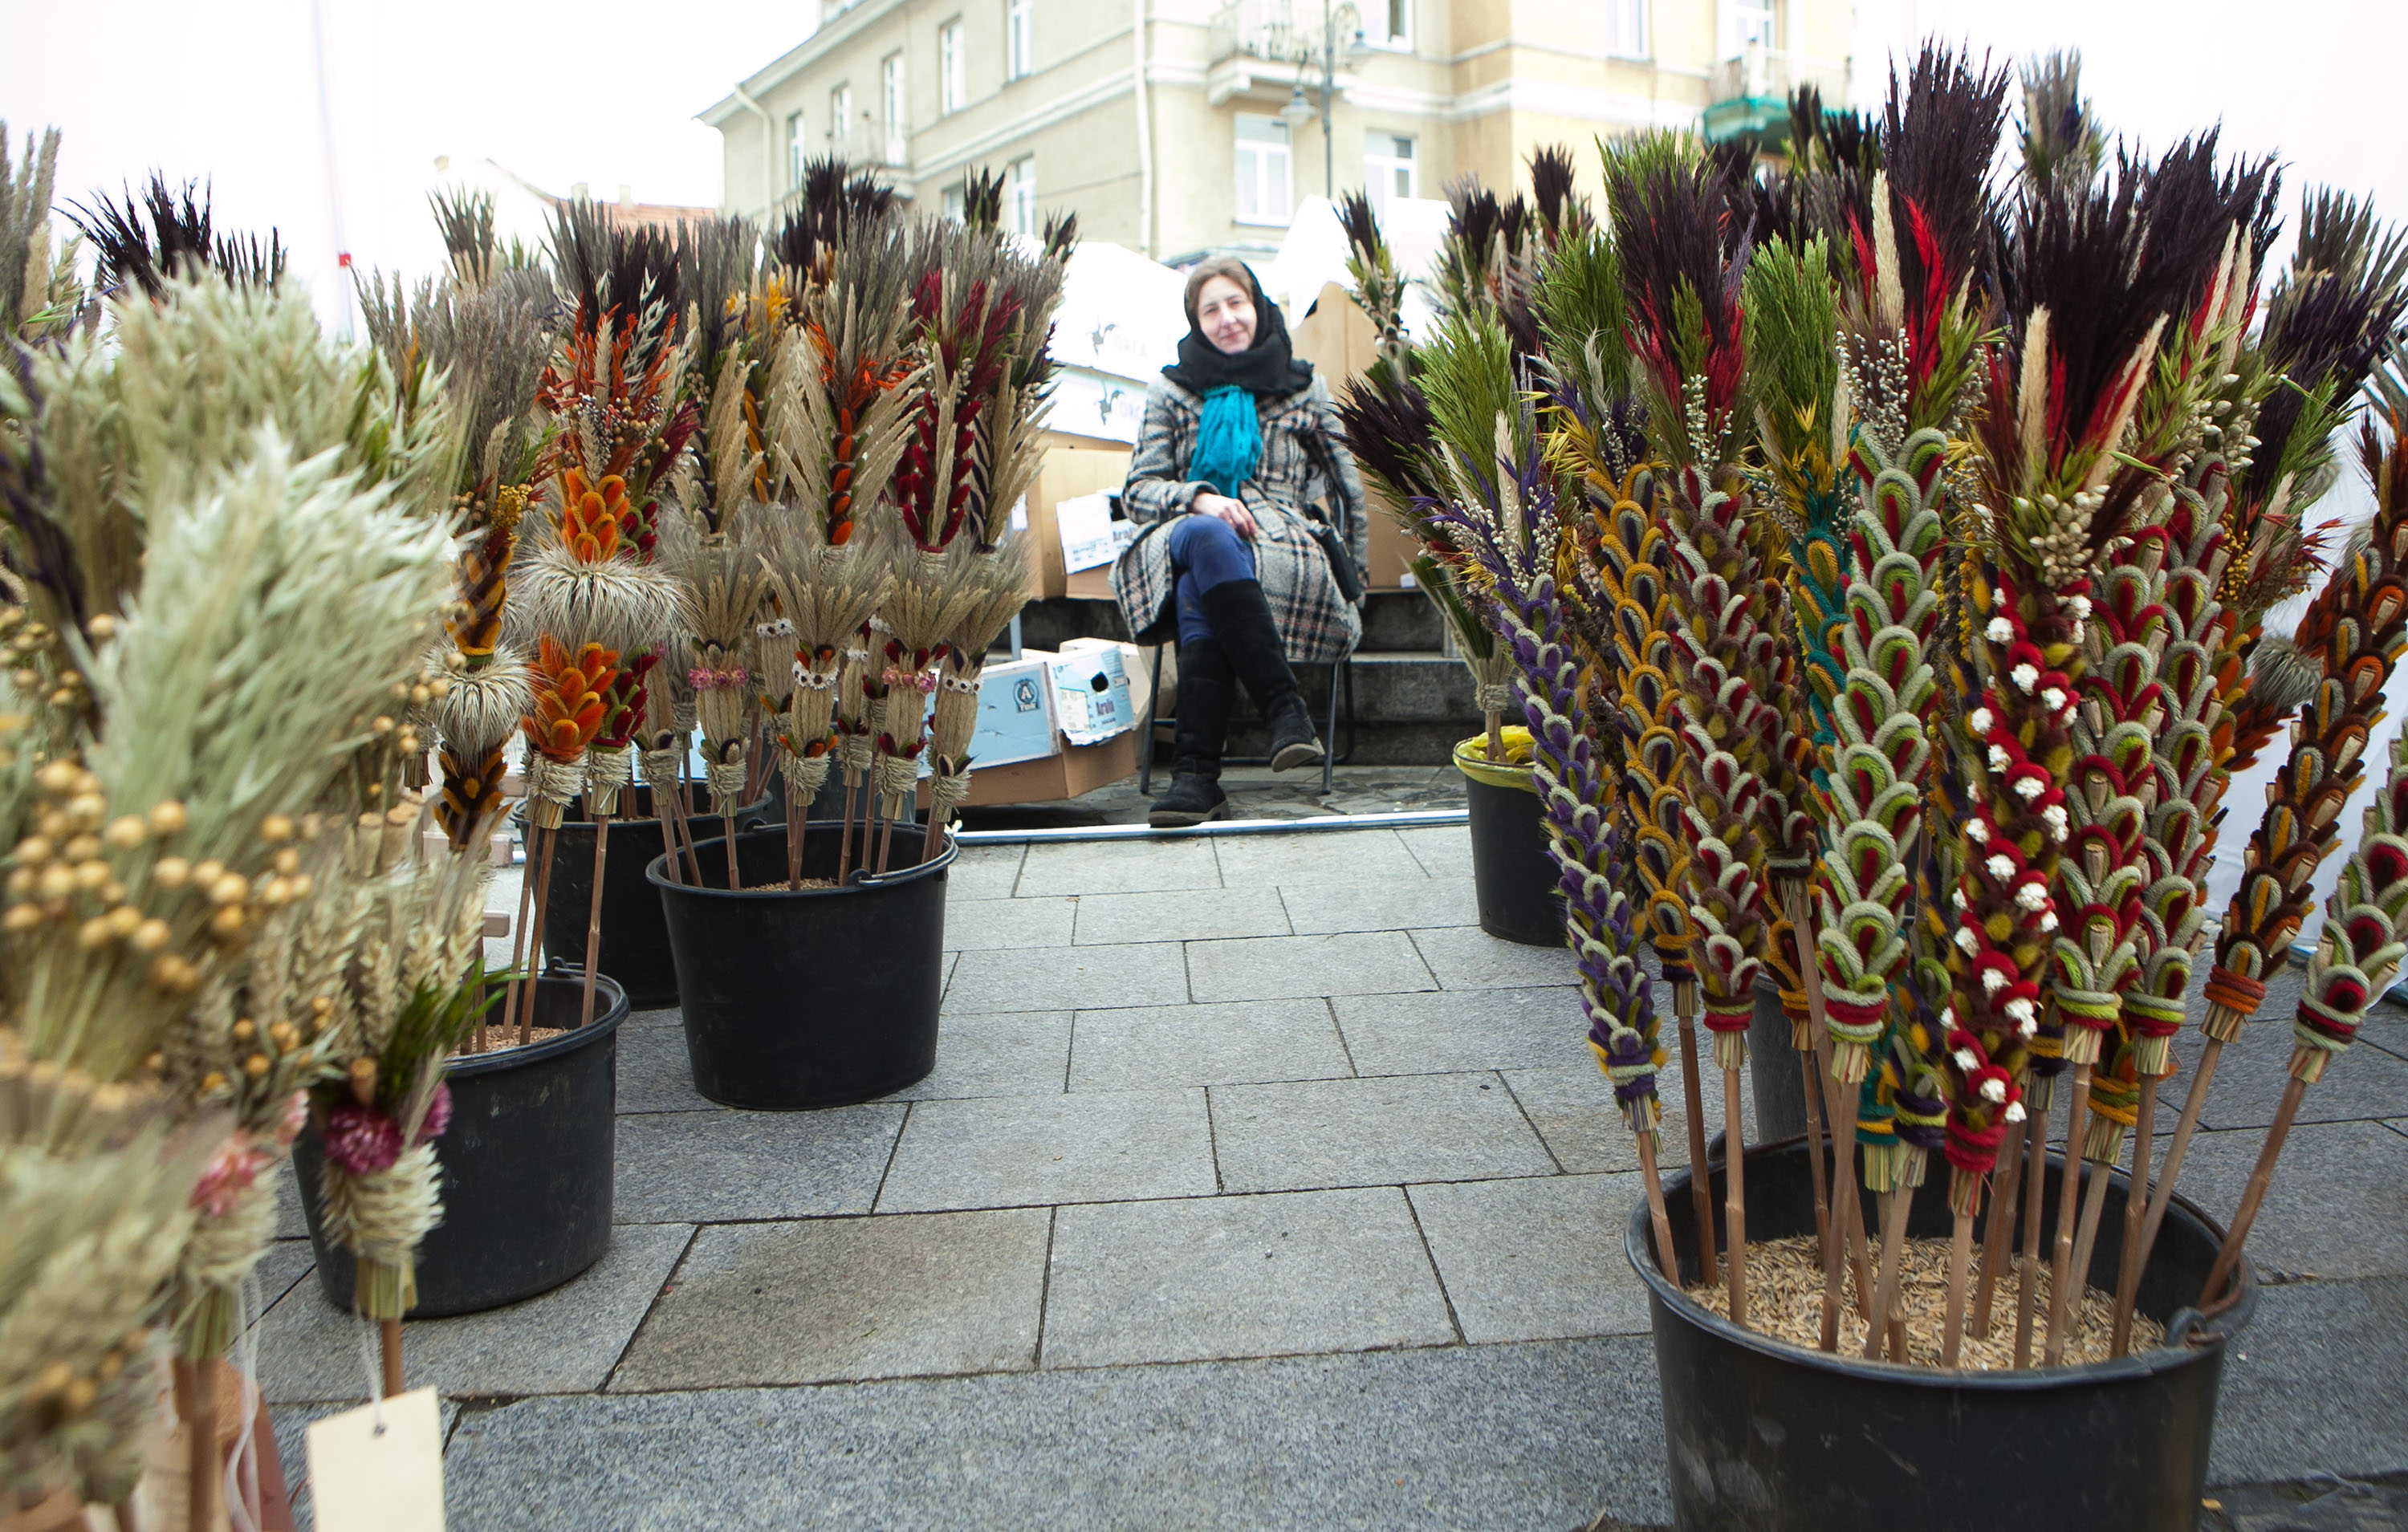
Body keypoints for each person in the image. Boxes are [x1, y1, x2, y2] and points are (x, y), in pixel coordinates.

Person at [1110, 258, 1367, 828]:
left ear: (1258, 307)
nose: (1227, 318)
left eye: (1237, 303)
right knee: (1206, 535)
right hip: (1181, 529)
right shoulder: (1170, 390)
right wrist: (1200, 497)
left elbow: (1348, 490)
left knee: (1201, 577)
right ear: (1196, 322)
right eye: (1211, 309)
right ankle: (1284, 707)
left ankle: (1196, 776)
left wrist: (1360, 581)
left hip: (1281, 540)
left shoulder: (1304, 387)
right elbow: (1138, 491)